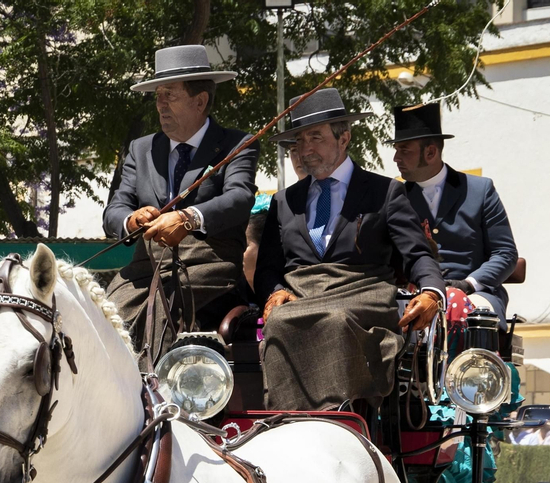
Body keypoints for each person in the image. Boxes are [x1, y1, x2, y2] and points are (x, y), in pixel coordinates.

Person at [252, 88, 443, 410]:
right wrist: (274, 291)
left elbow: (417, 253)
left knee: (336, 320)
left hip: (363, 295)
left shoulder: (385, 192)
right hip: (303, 295)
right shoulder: (284, 201)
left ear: (344, 138)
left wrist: (432, 292)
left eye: (316, 137)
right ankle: (286, 420)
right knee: (280, 321)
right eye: (300, 140)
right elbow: (268, 267)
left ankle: (336, 420)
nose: (306, 148)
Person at [102, 44, 256, 361]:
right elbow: (115, 210)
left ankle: (159, 396)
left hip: (209, 265)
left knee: (163, 307)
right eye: (158, 96)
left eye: (169, 95)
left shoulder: (236, 144)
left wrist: (189, 218)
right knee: (106, 313)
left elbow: (240, 198)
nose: (160, 105)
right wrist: (131, 221)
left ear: (200, 101)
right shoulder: (140, 149)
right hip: (145, 267)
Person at [390, 102, 518, 316]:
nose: (396, 158)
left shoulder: (480, 190)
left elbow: (505, 253)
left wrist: (469, 284)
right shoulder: (396, 197)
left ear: (430, 152)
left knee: (453, 302)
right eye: (396, 150)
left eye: (404, 150)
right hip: (416, 292)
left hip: (477, 294)